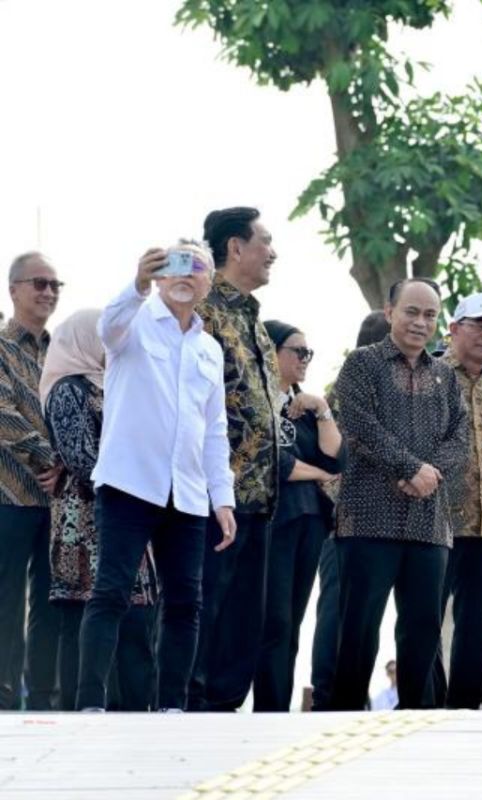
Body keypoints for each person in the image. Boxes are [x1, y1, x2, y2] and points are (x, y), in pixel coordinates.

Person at [76, 243, 237, 711]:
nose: (186, 275)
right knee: (111, 590)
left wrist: (221, 498)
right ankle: (90, 703)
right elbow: (109, 325)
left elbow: (215, 431)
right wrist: (138, 283)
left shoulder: (209, 348)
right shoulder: (135, 322)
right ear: (161, 277)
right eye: (175, 265)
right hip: (130, 482)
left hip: (186, 492)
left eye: (196, 266)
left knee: (186, 602)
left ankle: (172, 706)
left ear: (209, 282)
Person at [327, 278, 467, 711]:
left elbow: (459, 438)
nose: (420, 322)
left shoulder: (445, 375)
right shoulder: (361, 364)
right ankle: (345, 719)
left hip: (429, 522)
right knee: (358, 629)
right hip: (368, 518)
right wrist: (412, 469)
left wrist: (429, 474)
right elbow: (359, 425)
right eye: (411, 311)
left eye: (430, 314)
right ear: (389, 313)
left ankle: (416, 721)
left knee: (423, 631)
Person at [40, 309, 157, 712]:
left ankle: (135, 707)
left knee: (136, 615)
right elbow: (80, 457)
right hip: (86, 516)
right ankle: (82, 706)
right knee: (84, 613)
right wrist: (133, 479)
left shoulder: (112, 386)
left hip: (124, 511)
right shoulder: (68, 389)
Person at [189, 207, 281, 712]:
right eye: (265, 241)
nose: (273, 252)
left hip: (261, 495)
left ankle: (223, 710)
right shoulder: (203, 313)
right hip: (213, 493)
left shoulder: (253, 318)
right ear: (235, 248)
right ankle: (192, 705)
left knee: (247, 617)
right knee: (205, 606)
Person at [430, 293, 482, 710]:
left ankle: (463, 707)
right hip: (435, 519)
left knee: (478, 622)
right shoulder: (428, 376)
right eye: (480, 325)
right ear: (453, 329)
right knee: (425, 618)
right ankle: (425, 702)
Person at [253, 320, 344, 712]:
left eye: (309, 353)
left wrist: (321, 408)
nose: (305, 359)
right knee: (271, 620)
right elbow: (276, 462)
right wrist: (319, 474)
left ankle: (277, 704)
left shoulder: (304, 406)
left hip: (311, 522)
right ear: (272, 353)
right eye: (298, 351)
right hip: (273, 520)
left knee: (291, 623)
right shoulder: (256, 402)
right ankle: (260, 705)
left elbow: (336, 457)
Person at [309, 309, 390, 710]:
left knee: (359, 614)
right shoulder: (349, 385)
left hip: (384, 517)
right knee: (339, 610)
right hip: (347, 517)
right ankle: (330, 697)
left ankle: (346, 696)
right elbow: (335, 458)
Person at [0, 251, 63, 710]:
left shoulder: (66, 353)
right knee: (5, 601)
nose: (47, 292)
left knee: (52, 600)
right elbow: (3, 414)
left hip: (60, 499)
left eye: (55, 285)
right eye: (38, 283)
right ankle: (3, 698)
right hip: (9, 494)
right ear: (13, 289)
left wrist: (65, 468)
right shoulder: (1, 348)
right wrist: (47, 459)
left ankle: (44, 697)